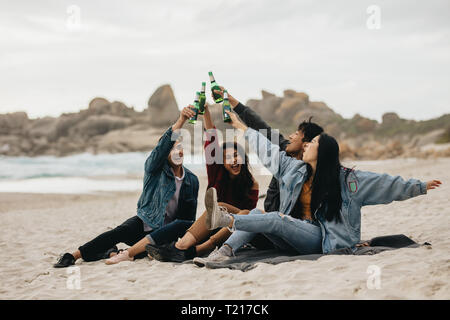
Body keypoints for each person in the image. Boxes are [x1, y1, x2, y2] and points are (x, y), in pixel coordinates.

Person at [193, 110, 442, 266]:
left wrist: (419, 186)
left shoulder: (348, 181)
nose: (306, 145)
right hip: (292, 238)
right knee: (258, 214)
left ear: (323, 152)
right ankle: (223, 253)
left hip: (322, 240)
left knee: (278, 219)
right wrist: (240, 127)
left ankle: (226, 219)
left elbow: (386, 185)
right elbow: (267, 150)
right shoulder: (295, 170)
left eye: (312, 143)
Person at [53, 106, 199, 268]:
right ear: (165, 154)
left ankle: (112, 252)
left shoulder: (191, 180)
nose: (177, 152)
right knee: (118, 232)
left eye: (179, 148)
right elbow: (161, 148)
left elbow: (188, 219)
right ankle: (73, 255)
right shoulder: (154, 169)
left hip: (164, 233)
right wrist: (181, 121)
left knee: (150, 252)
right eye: (172, 149)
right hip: (145, 221)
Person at [145, 102, 259, 262]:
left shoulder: (252, 183)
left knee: (239, 212)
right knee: (188, 222)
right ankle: (171, 248)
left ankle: (196, 250)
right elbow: (211, 137)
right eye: (228, 157)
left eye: (236, 155)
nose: (234, 160)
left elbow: (249, 220)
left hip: (234, 230)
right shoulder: (216, 173)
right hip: (211, 226)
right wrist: (205, 110)